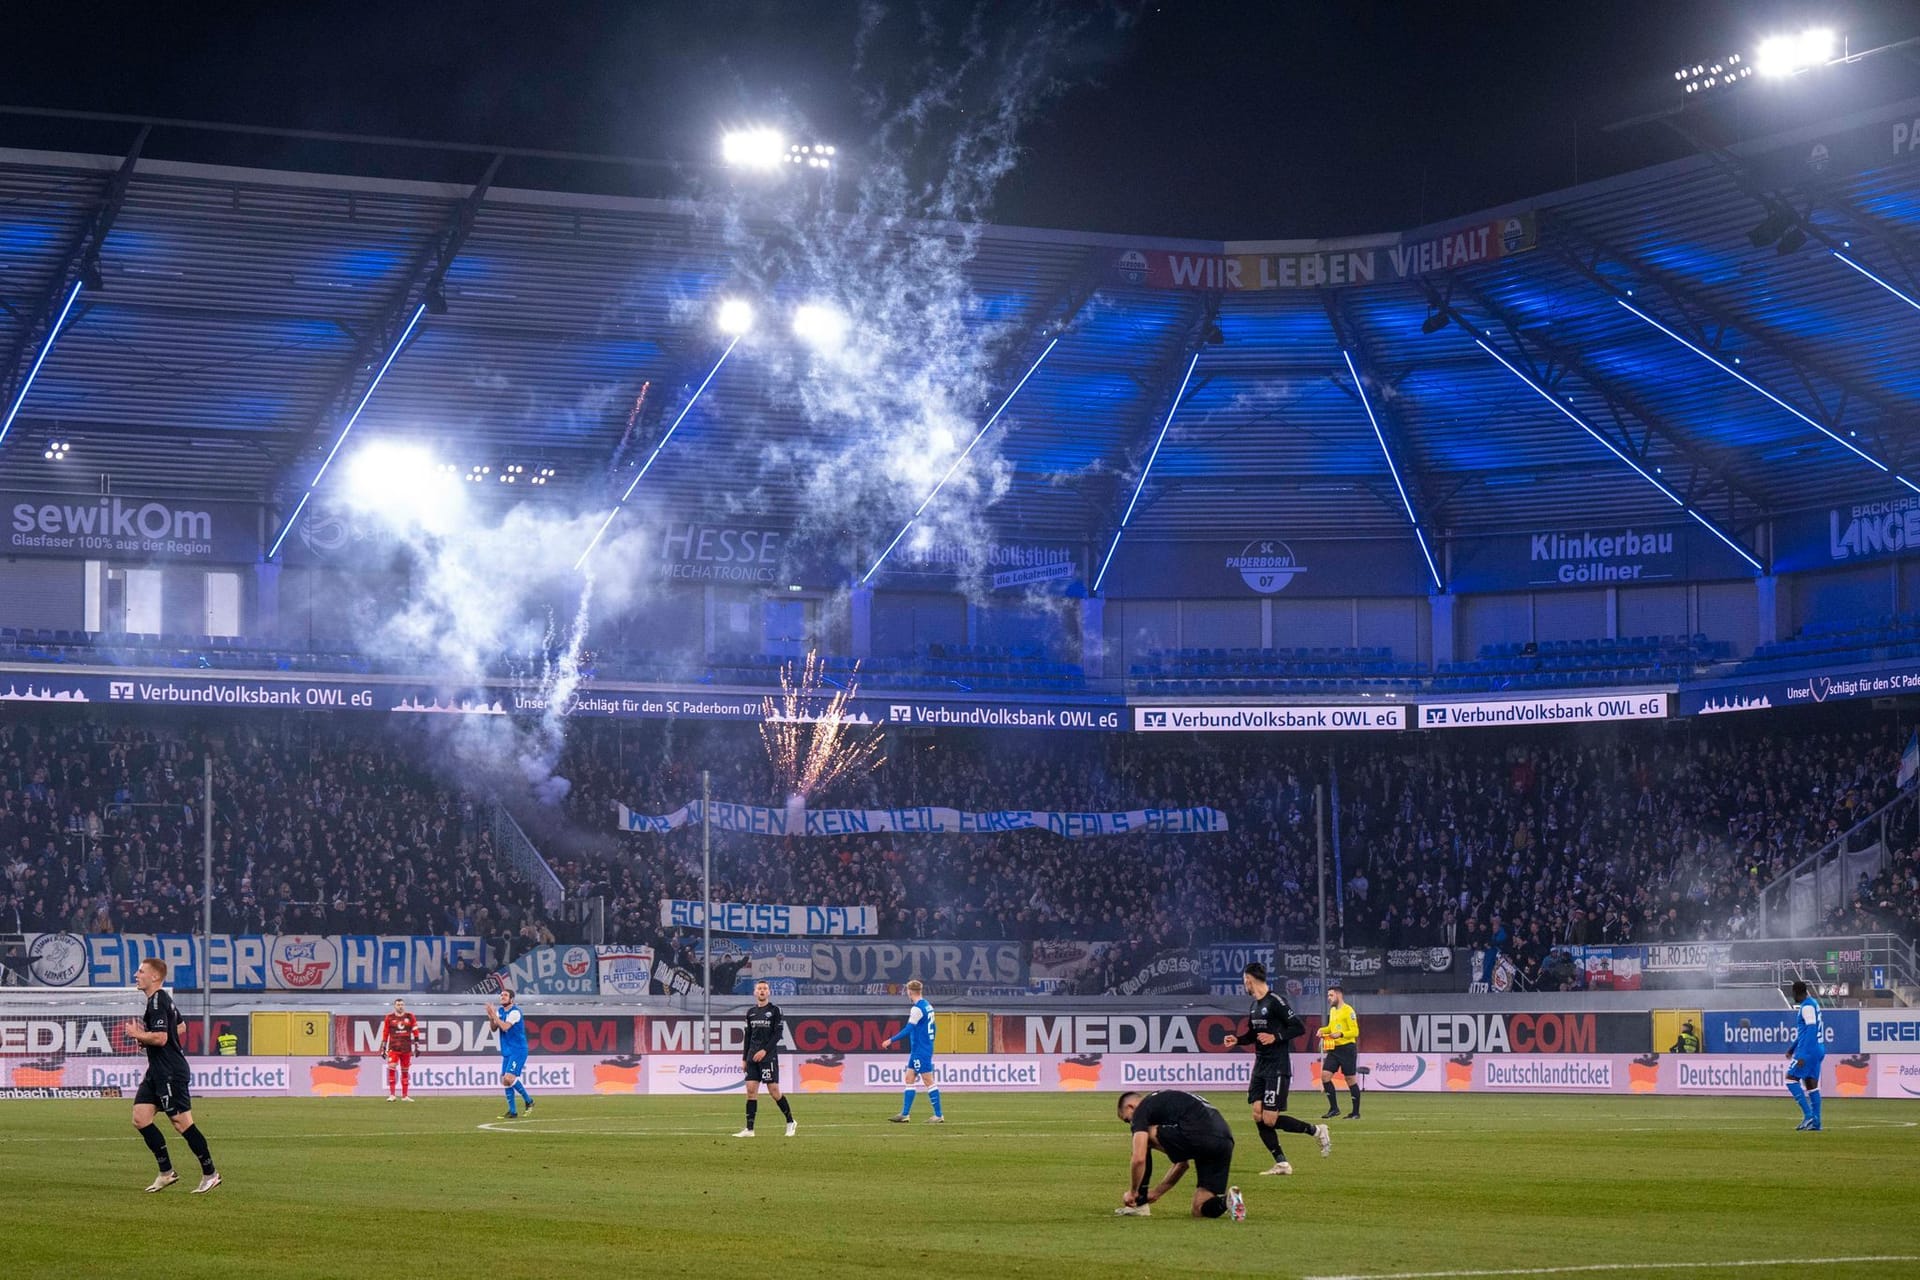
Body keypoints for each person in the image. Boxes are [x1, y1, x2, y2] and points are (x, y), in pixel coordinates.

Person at [122, 957, 219, 1194]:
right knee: (140, 1118)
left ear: (154, 976)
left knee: (181, 1123)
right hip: (156, 1072)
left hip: (170, 1072)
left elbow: (162, 1038)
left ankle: (211, 1173)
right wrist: (147, 1040)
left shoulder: (157, 1001)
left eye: (141, 971)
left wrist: (139, 1034)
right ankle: (166, 1173)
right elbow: (181, 1028)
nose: (136, 975)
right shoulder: (162, 999)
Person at [1222, 962, 1329, 1174]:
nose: (1244, 985)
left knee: (1269, 1119)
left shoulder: (1276, 1002)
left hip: (1277, 1067)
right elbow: (1253, 1035)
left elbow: (1298, 1027)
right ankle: (1281, 1163)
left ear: (1249, 980)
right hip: (1260, 1066)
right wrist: (1238, 1040)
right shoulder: (1254, 1006)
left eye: (1245, 981)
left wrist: (1276, 1036)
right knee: (1257, 1114)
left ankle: (1317, 1130)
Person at [1114, 1090, 1244, 1221]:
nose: (1130, 1123)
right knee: (1199, 1209)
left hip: (1200, 1134)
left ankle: (1139, 1205)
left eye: (1127, 1119)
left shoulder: (1142, 1108)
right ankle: (1228, 1201)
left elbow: (1139, 1159)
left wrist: (1133, 1192)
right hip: (1224, 1142)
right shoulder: (1168, 1103)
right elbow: (1182, 1164)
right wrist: (1157, 1192)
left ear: (1130, 1107)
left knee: (1143, 1137)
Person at [735, 980, 796, 1138]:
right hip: (751, 1056)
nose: (762, 991)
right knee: (750, 1091)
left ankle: (790, 1121)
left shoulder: (775, 1011)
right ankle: (749, 1129)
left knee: (774, 1091)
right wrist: (744, 1058)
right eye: (759, 989)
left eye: (765, 989)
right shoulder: (750, 1012)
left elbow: (777, 1035)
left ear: (769, 992)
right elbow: (747, 1036)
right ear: (755, 992)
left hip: (768, 1056)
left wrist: (764, 1050)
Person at [882, 978, 942, 1124]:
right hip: (922, 1048)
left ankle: (938, 1115)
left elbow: (909, 1029)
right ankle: (905, 1114)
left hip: (920, 1049)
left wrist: (891, 1040)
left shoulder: (917, 1009)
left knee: (928, 1080)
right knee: (909, 1078)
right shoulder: (928, 1006)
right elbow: (934, 1028)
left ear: (909, 992)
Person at [487, 987, 534, 1119]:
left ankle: (529, 1101)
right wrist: (491, 1017)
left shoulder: (515, 1012)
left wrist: (494, 1015)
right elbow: (494, 1028)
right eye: (501, 995)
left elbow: (505, 1027)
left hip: (518, 1050)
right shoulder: (501, 1011)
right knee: (505, 1081)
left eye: (505, 995)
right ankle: (512, 1111)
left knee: (509, 1078)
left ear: (511, 999)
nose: (502, 997)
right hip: (507, 1050)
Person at [1786, 981, 1825, 1132]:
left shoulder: (1807, 1006)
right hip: (1818, 1048)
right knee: (1811, 1085)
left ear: (1797, 992)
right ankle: (1816, 1122)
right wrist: (1792, 1048)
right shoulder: (1813, 1004)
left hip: (1809, 1049)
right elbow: (1805, 1032)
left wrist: (1804, 1054)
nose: (1793, 996)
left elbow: (1811, 1030)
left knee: (1790, 1079)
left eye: (1793, 993)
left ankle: (1808, 1116)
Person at [1318, 985, 1361, 1119]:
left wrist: (1341, 1034)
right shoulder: (1333, 1011)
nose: (1329, 998)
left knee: (1350, 1079)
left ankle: (1355, 1112)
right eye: (1328, 996)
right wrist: (1323, 1030)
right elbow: (1331, 1027)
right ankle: (1334, 1108)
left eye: (1331, 995)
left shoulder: (1348, 1010)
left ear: (1339, 995)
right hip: (1334, 1049)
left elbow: (1355, 1031)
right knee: (1325, 1076)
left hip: (1347, 1048)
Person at [380, 997, 420, 1102]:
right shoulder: (389, 1017)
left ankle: (405, 1096)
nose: (400, 1006)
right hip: (393, 1047)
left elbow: (415, 1030)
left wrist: (417, 1045)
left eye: (402, 1004)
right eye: (398, 1004)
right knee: (392, 1068)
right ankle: (392, 1095)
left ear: (404, 1005)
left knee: (405, 1071)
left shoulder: (410, 1017)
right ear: (395, 1006)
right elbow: (385, 1032)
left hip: (406, 1048)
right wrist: (383, 1046)